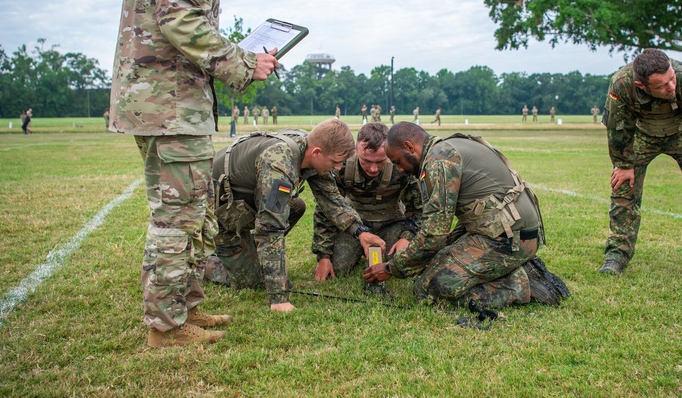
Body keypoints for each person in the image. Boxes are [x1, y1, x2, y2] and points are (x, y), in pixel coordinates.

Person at [109, 0, 279, 348]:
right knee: (178, 216)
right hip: (173, 104)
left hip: (147, 101)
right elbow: (179, 18)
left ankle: (186, 307)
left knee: (188, 209)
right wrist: (244, 65)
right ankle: (166, 327)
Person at [364, 122, 568, 308]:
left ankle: (523, 283)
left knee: (429, 289)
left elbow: (434, 235)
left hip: (509, 239)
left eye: (398, 162)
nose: (399, 169)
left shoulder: (439, 160)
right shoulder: (448, 146)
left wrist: (391, 269)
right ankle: (512, 268)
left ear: (409, 147)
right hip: (504, 230)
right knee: (431, 262)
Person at [205, 118, 386, 311]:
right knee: (252, 280)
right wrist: (279, 298)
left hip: (246, 207)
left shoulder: (312, 148)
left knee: (296, 206)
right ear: (317, 153)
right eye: (335, 162)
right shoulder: (279, 163)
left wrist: (361, 232)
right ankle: (205, 263)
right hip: (222, 216)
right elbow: (269, 229)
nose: (338, 168)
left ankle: (244, 251)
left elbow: (332, 201)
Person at [598, 48, 682, 283]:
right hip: (642, 134)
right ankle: (617, 255)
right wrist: (623, 164)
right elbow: (617, 125)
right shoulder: (622, 84)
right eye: (662, 85)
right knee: (623, 190)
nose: (671, 87)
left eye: (671, 79)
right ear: (642, 85)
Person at [312, 122, 422, 284]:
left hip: (391, 224)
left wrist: (407, 237)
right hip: (355, 226)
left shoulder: (401, 167)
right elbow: (327, 209)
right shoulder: (341, 166)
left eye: (380, 162)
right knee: (339, 268)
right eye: (367, 161)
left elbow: (418, 209)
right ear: (356, 151)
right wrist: (324, 256)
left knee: (402, 262)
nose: (373, 169)